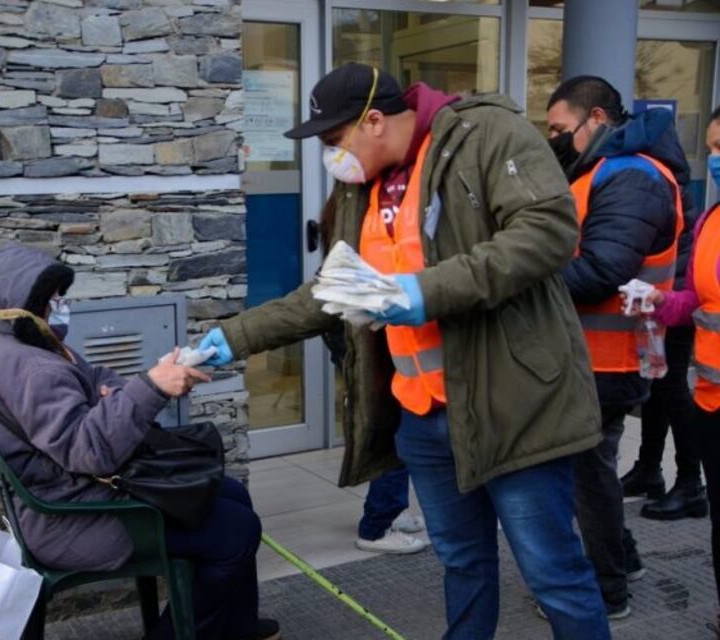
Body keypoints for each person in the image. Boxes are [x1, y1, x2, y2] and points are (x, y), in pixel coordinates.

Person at [203, 63, 608, 639]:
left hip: (514, 406)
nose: (330, 157)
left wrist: (424, 291)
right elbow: (331, 291)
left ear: (373, 121)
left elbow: (547, 231)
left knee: (553, 574)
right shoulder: (362, 184)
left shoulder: (487, 134)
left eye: (333, 139)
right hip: (422, 415)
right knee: (462, 563)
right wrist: (234, 337)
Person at [0, 244, 279, 640]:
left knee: (233, 494)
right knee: (238, 532)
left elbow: (94, 376)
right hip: (73, 517)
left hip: (75, 493)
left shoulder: (20, 347)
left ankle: (236, 628)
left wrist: (129, 388)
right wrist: (152, 388)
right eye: (52, 298)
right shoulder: (33, 368)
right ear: (26, 302)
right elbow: (89, 452)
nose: (60, 304)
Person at [546, 76, 687, 618]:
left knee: (588, 476)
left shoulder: (631, 176)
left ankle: (606, 591)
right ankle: (622, 560)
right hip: (594, 356)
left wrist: (518, 277)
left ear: (598, 118)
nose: (555, 139)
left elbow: (601, 271)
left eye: (560, 128)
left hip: (608, 360)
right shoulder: (607, 170)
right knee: (594, 470)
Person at [630, 105, 720, 634]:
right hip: (710, 399)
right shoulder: (710, 219)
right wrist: (662, 302)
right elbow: (698, 298)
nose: (714, 159)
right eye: (710, 148)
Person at [320, 194, 428, 555]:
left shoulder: (345, 208)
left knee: (392, 424)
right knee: (391, 427)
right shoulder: (367, 215)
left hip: (357, 335)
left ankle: (391, 511)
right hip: (365, 338)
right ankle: (377, 525)